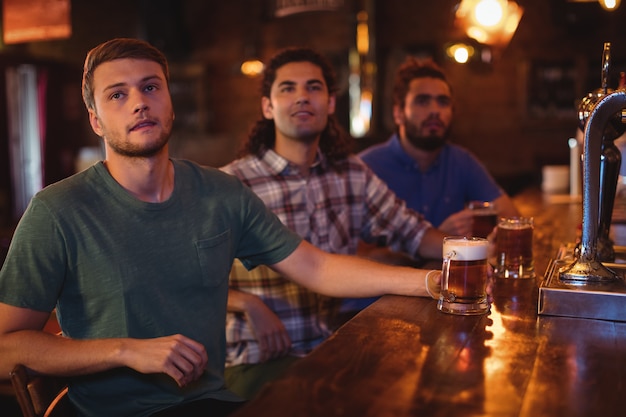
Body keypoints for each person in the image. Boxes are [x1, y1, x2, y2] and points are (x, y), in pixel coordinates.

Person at [0, 38, 444, 417]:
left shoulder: (220, 193)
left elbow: (317, 268)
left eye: (151, 87)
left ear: (170, 101)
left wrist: (433, 281)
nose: (139, 102)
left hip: (208, 402)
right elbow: (4, 350)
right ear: (96, 120)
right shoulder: (58, 210)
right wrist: (125, 349)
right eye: (117, 94)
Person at [220, 47, 447, 400]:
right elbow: (184, 282)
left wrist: (473, 254)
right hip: (258, 358)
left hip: (336, 345)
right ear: (267, 107)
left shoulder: (352, 173)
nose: (301, 98)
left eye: (313, 87)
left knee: (428, 390)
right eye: (287, 89)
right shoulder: (233, 184)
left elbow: (414, 233)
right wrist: (246, 304)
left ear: (329, 103)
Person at [359, 57, 519, 237]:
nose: (435, 110)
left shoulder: (461, 161)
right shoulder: (366, 167)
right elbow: (355, 253)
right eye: (422, 101)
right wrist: (435, 238)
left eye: (443, 102)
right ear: (398, 113)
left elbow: (511, 218)